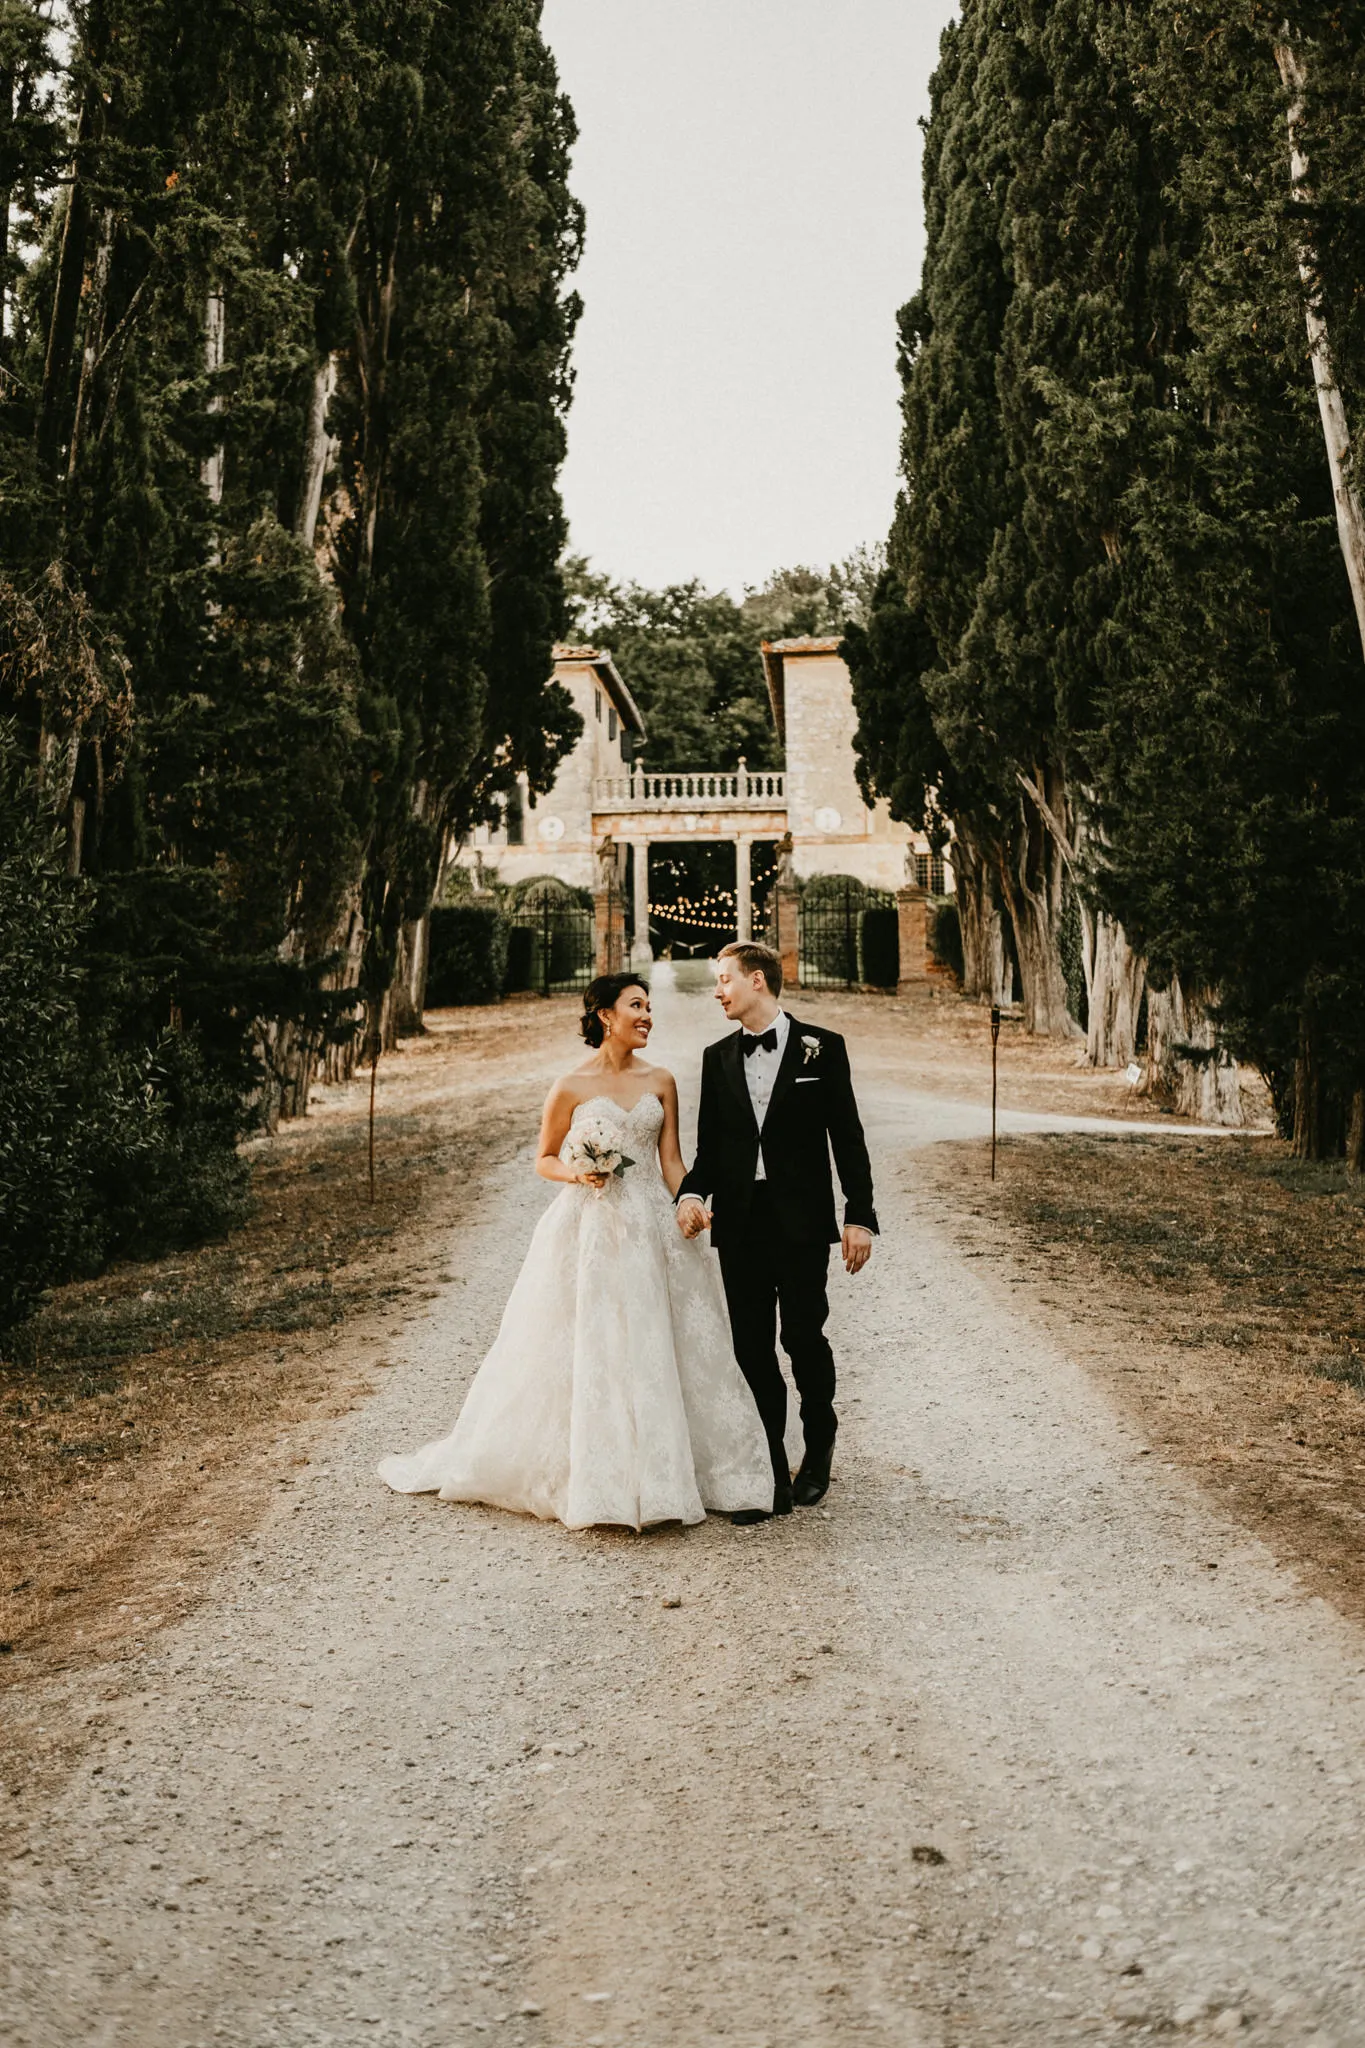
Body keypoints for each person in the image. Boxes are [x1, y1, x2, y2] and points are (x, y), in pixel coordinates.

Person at [377, 972, 773, 1531]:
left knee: (665, 1340)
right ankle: (605, 1478)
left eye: (650, 1007)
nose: (648, 1016)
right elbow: (543, 1158)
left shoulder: (661, 1082)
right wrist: (579, 1171)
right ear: (606, 1016)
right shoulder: (569, 1086)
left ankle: (677, 1474)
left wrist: (689, 1202)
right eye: (636, 1005)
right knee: (599, 1342)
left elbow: (672, 1162)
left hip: (652, 1228)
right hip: (592, 1229)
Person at [675, 941, 877, 1519]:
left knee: (803, 1338)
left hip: (802, 1222)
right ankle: (768, 1469)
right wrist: (691, 1192)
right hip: (739, 1223)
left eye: (724, 979)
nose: (717, 991)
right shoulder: (716, 1059)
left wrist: (858, 1215)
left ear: (756, 980)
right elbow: (710, 1150)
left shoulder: (823, 1049)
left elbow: (849, 1139)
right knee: (750, 1348)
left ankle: (818, 1447)